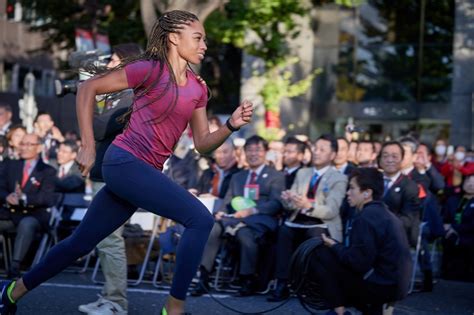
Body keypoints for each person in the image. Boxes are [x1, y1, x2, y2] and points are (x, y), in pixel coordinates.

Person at [0, 10, 254, 315]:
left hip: (142, 172)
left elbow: (202, 145)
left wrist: (230, 127)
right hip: (124, 162)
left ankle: (11, 292)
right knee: (200, 220)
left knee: (80, 242)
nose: (204, 45)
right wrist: (88, 146)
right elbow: (87, 88)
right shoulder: (149, 69)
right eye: (198, 38)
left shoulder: (198, 89)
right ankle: (173, 309)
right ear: (174, 38)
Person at [78, 42, 143, 315]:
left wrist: (88, 93)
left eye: (113, 60)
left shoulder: (131, 97)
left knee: (110, 239)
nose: (106, 66)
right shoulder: (115, 95)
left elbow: (101, 127)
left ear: (127, 64)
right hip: (104, 172)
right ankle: (109, 296)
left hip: (115, 174)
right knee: (103, 239)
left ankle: (116, 302)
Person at [191, 135, 285, 297]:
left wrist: (253, 210)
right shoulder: (238, 177)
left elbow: (276, 203)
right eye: (250, 150)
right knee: (212, 228)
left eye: (258, 150)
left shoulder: (276, 176)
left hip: (259, 219)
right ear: (244, 153)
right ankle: (204, 278)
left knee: (245, 234)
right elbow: (228, 200)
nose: (253, 154)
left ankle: (247, 279)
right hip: (234, 218)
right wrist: (221, 211)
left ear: (266, 152)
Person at [310, 168, 411, 315]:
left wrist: (334, 245)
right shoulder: (385, 213)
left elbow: (357, 262)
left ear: (367, 193)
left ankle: (340, 312)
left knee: (322, 256)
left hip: (381, 286)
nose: (347, 193)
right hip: (397, 285)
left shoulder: (365, 217)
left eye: (352, 188)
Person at [268, 134, 347, 302]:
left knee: (314, 236)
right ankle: (282, 283)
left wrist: (308, 206)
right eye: (315, 148)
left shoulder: (339, 178)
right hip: (298, 219)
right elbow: (291, 206)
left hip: (322, 222)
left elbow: (331, 211)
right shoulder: (303, 173)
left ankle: (313, 285)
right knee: (284, 232)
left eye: (322, 150)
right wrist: (288, 199)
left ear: (332, 155)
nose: (316, 152)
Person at [0, 133, 57, 278]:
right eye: (22, 144)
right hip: (11, 213)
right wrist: (7, 196)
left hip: (35, 215)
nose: (24, 147)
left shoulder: (47, 170)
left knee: (27, 224)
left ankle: (15, 266)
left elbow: (47, 198)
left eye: (29, 144)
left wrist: (24, 197)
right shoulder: (9, 165)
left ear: (39, 148)